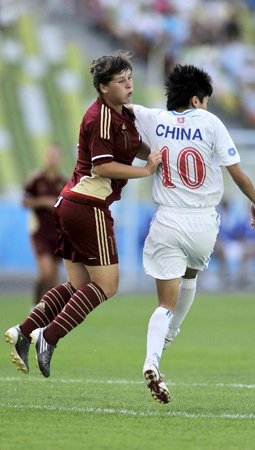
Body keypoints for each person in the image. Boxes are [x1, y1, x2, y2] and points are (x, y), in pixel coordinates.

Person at [4, 52, 162, 377]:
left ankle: (24, 330)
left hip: (72, 204)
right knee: (107, 285)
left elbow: (134, 145)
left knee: (79, 286)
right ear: (103, 87)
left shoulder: (122, 115)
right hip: (87, 206)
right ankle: (47, 337)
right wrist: (147, 170)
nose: (130, 85)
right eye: (121, 81)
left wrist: (160, 155)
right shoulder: (101, 117)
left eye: (130, 78)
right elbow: (102, 165)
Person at [127, 64, 255, 404]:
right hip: (202, 223)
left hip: (167, 220)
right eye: (206, 100)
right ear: (195, 99)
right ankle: (169, 337)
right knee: (191, 275)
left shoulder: (152, 117)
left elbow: (120, 110)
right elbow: (238, 174)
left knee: (163, 303)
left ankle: (153, 358)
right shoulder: (211, 123)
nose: (208, 106)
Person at [22, 144, 67, 307]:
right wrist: (43, 201)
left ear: (60, 158)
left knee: (54, 279)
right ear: (45, 157)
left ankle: (46, 311)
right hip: (39, 232)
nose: (53, 158)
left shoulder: (64, 182)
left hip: (57, 234)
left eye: (56, 155)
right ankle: (35, 305)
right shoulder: (36, 179)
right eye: (50, 155)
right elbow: (24, 201)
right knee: (46, 272)